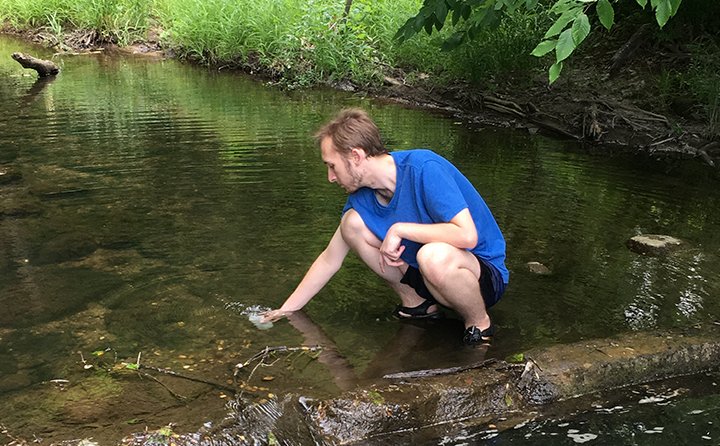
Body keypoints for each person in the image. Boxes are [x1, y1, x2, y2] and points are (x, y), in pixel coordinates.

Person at [262, 108, 509, 345]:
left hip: (481, 276)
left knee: (432, 255)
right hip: (427, 278)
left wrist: (400, 229)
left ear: (356, 156)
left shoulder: (423, 168)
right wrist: (285, 311)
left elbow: (466, 236)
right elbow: (329, 260)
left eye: (332, 166)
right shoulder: (361, 198)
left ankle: (479, 324)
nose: (331, 177)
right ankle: (418, 305)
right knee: (352, 225)